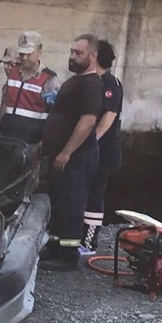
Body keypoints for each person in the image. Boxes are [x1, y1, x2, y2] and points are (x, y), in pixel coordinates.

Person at [38, 34, 104, 273]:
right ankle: (55, 246)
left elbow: (87, 122)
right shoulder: (74, 81)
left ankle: (67, 255)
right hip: (59, 155)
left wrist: (66, 152)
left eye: (79, 53)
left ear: (92, 56)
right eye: (71, 52)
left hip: (76, 157)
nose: (73, 57)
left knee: (71, 205)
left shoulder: (91, 85)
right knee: (57, 202)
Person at [80, 39, 123, 254]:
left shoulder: (110, 83)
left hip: (102, 152)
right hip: (86, 150)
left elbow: (109, 116)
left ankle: (88, 243)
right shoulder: (89, 81)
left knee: (94, 195)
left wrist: (91, 140)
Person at [0, 31, 61, 145]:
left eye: (29, 54)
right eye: (21, 54)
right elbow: (5, 104)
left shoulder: (50, 79)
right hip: (6, 138)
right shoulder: (13, 73)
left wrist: (43, 143)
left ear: (39, 51)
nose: (24, 58)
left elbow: (56, 115)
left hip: (31, 142)